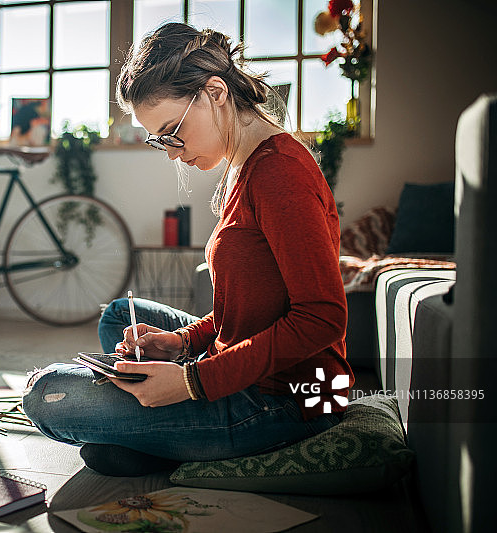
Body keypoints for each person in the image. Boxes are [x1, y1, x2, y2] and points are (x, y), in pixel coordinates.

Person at [22, 22, 353, 477]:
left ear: (215, 92)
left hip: (299, 400)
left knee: (47, 393)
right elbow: (250, 310)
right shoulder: (245, 167)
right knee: (121, 315)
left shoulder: (280, 174)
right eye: (159, 140)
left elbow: (322, 317)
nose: (172, 152)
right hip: (247, 371)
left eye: (171, 131)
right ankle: (161, 438)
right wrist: (180, 342)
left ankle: (157, 439)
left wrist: (192, 382)